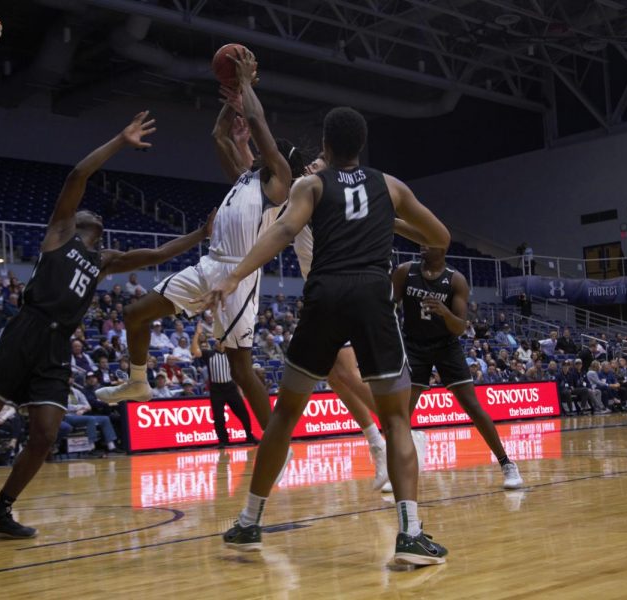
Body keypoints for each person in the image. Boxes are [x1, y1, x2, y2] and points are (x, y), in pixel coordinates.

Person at [0, 112, 215, 549]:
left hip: (55, 345)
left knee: (46, 434)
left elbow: (159, 252)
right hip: (25, 330)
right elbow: (78, 174)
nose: (90, 210)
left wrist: (201, 233)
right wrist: (120, 141)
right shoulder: (62, 231)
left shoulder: (105, 260)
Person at [204, 106, 451, 566]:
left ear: (326, 146)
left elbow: (282, 230)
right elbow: (440, 237)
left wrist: (234, 275)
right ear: (361, 147)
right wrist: (390, 220)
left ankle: (249, 523)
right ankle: (411, 535)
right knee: (398, 420)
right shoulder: (390, 186)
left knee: (284, 416)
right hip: (372, 300)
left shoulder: (311, 185)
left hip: (325, 296)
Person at [96, 49, 298, 439]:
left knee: (241, 367)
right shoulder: (244, 179)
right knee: (136, 313)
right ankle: (138, 381)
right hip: (210, 265)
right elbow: (219, 134)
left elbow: (256, 122)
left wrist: (244, 85)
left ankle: (276, 440)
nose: (254, 148)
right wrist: (232, 103)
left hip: (240, 275)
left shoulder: (279, 185)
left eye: (265, 149)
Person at [392, 246, 523, 489]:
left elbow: (460, 327)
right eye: (420, 240)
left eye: (427, 241)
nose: (422, 245)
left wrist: (444, 312)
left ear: (441, 248)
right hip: (413, 345)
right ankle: (398, 470)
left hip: (446, 345)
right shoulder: (405, 271)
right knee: (402, 412)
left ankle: (506, 463)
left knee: (472, 406)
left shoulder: (456, 279)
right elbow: (387, 307)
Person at [191, 322, 258, 448]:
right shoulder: (209, 354)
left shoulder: (230, 355)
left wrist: (240, 390)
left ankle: (249, 435)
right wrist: (197, 334)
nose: (218, 342)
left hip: (230, 387)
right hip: (216, 390)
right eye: (217, 341)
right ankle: (223, 440)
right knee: (218, 417)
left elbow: (236, 374)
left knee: (243, 413)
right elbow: (194, 351)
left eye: (221, 340)